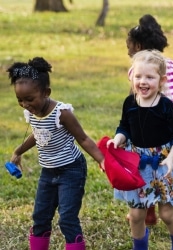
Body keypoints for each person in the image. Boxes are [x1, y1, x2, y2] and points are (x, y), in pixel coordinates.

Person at [8, 57, 105, 250]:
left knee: (67, 218)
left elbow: (83, 139)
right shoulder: (32, 113)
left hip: (71, 170)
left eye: (29, 99)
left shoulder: (62, 113)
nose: (25, 104)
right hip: (48, 172)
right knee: (40, 216)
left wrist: (102, 160)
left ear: (46, 93)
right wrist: (18, 151)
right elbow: (38, 135)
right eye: (20, 100)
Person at [107, 50, 173, 250]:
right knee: (137, 215)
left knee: (166, 214)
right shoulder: (130, 102)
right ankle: (139, 247)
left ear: (162, 80)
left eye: (149, 77)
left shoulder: (166, 105)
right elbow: (124, 128)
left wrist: (172, 159)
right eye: (138, 76)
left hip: (164, 163)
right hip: (137, 164)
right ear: (131, 77)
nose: (143, 82)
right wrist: (117, 139)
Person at [125, 13, 173, 235]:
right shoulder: (171, 65)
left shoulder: (136, 72)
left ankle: (147, 212)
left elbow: (138, 105)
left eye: (129, 48)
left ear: (138, 46)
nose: (128, 52)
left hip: (162, 132)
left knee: (151, 172)